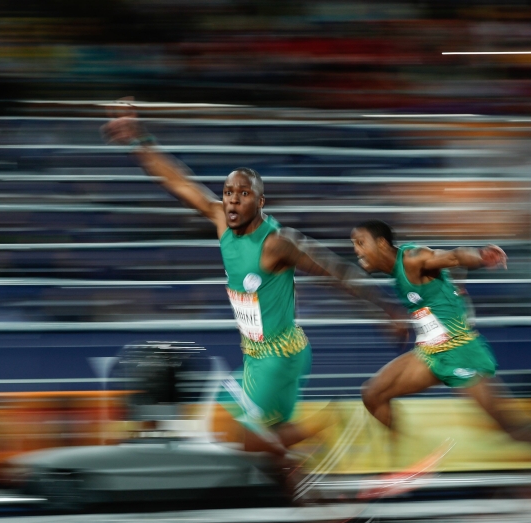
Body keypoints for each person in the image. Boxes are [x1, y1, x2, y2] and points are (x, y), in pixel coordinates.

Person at [101, 101, 406, 475]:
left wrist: (384, 309)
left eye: (243, 194)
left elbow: (334, 270)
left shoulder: (277, 242)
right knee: (269, 443)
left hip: (279, 357)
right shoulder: (219, 218)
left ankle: (331, 422)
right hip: (256, 355)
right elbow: (178, 181)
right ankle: (311, 498)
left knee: (239, 437)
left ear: (260, 202)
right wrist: (139, 140)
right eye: (228, 192)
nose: (232, 199)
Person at [350, 220, 531, 509]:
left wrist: (482, 257)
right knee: (373, 393)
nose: (356, 251)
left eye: (361, 243)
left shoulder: (412, 257)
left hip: (461, 352)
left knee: (508, 425)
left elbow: (455, 256)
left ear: (382, 244)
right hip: (430, 353)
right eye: (354, 245)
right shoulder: (396, 273)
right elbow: (443, 282)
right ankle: (408, 464)